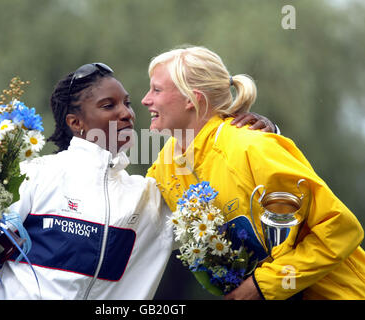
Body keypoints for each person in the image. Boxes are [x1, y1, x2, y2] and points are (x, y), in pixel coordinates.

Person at [0, 62, 275, 299]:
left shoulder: (150, 198)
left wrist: (250, 136)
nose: (127, 113)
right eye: (108, 105)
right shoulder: (35, 175)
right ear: (76, 122)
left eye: (127, 104)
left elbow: (217, 194)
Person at [142, 45, 365, 300]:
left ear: (193, 99)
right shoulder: (167, 163)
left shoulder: (252, 147)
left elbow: (341, 229)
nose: (145, 100)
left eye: (156, 90)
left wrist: (261, 286)